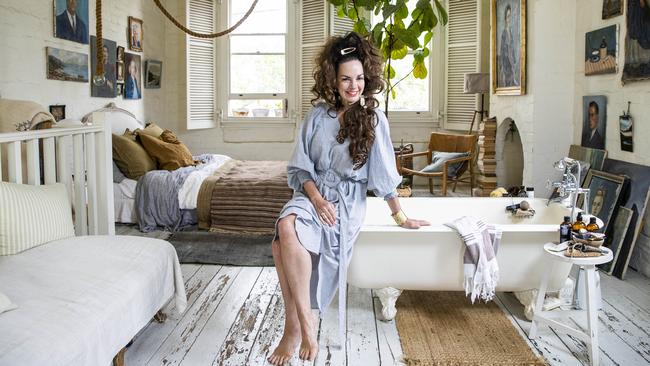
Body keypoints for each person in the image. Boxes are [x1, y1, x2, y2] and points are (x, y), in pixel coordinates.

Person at [267, 32, 430, 365]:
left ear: (366, 79)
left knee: (280, 246)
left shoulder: (373, 120)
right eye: (345, 79)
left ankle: (294, 328)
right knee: (285, 226)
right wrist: (316, 199)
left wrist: (401, 217)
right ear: (333, 80)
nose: (353, 86)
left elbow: (384, 177)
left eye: (358, 78)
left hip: (347, 202)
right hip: (311, 195)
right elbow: (300, 168)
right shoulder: (317, 116)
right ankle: (301, 323)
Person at [498, 4, 517, 87]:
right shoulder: (504, 34)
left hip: (512, 66)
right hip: (506, 68)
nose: (509, 19)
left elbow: (512, 49)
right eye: (508, 16)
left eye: (510, 16)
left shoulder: (511, 32)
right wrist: (504, 70)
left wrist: (514, 61)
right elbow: (502, 53)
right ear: (505, 18)